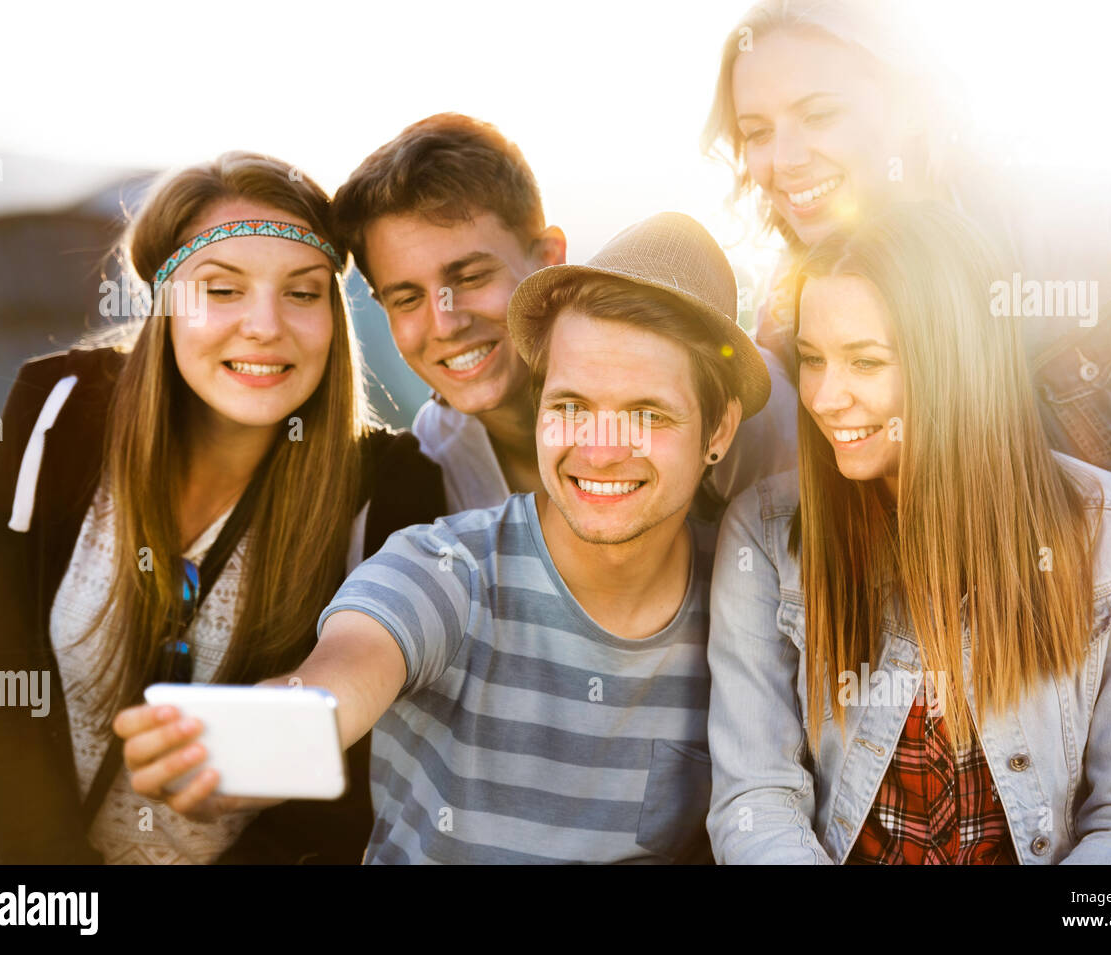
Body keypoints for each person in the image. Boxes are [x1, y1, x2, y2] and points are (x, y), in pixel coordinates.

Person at [703, 0, 1111, 858]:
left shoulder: (1082, 222)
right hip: (1022, 709)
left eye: (820, 114)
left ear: (911, 106)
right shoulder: (797, 317)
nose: (783, 158)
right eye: (756, 130)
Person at [115, 212, 770, 863]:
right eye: (571, 405)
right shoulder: (446, 568)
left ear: (717, 431)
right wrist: (254, 744)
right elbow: (342, 675)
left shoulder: (746, 599)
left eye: (646, 414)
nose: (600, 451)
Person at [0, 152, 445, 864]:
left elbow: (355, 790)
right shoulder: (58, 409)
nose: (265, 326)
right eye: (222, 289)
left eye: (303, 293)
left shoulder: (390, 487)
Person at [707, 201, 1111, 864]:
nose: (824, 397)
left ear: (957, 367)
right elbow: (756, 798)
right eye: (813, 358)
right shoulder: (763, 535)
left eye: (866, 361)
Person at [332, 112, 797, 514]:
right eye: (407, 298)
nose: (446, 322)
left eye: (471, 278)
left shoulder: (736, 406)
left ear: (550, 257)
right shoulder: (431, 466)